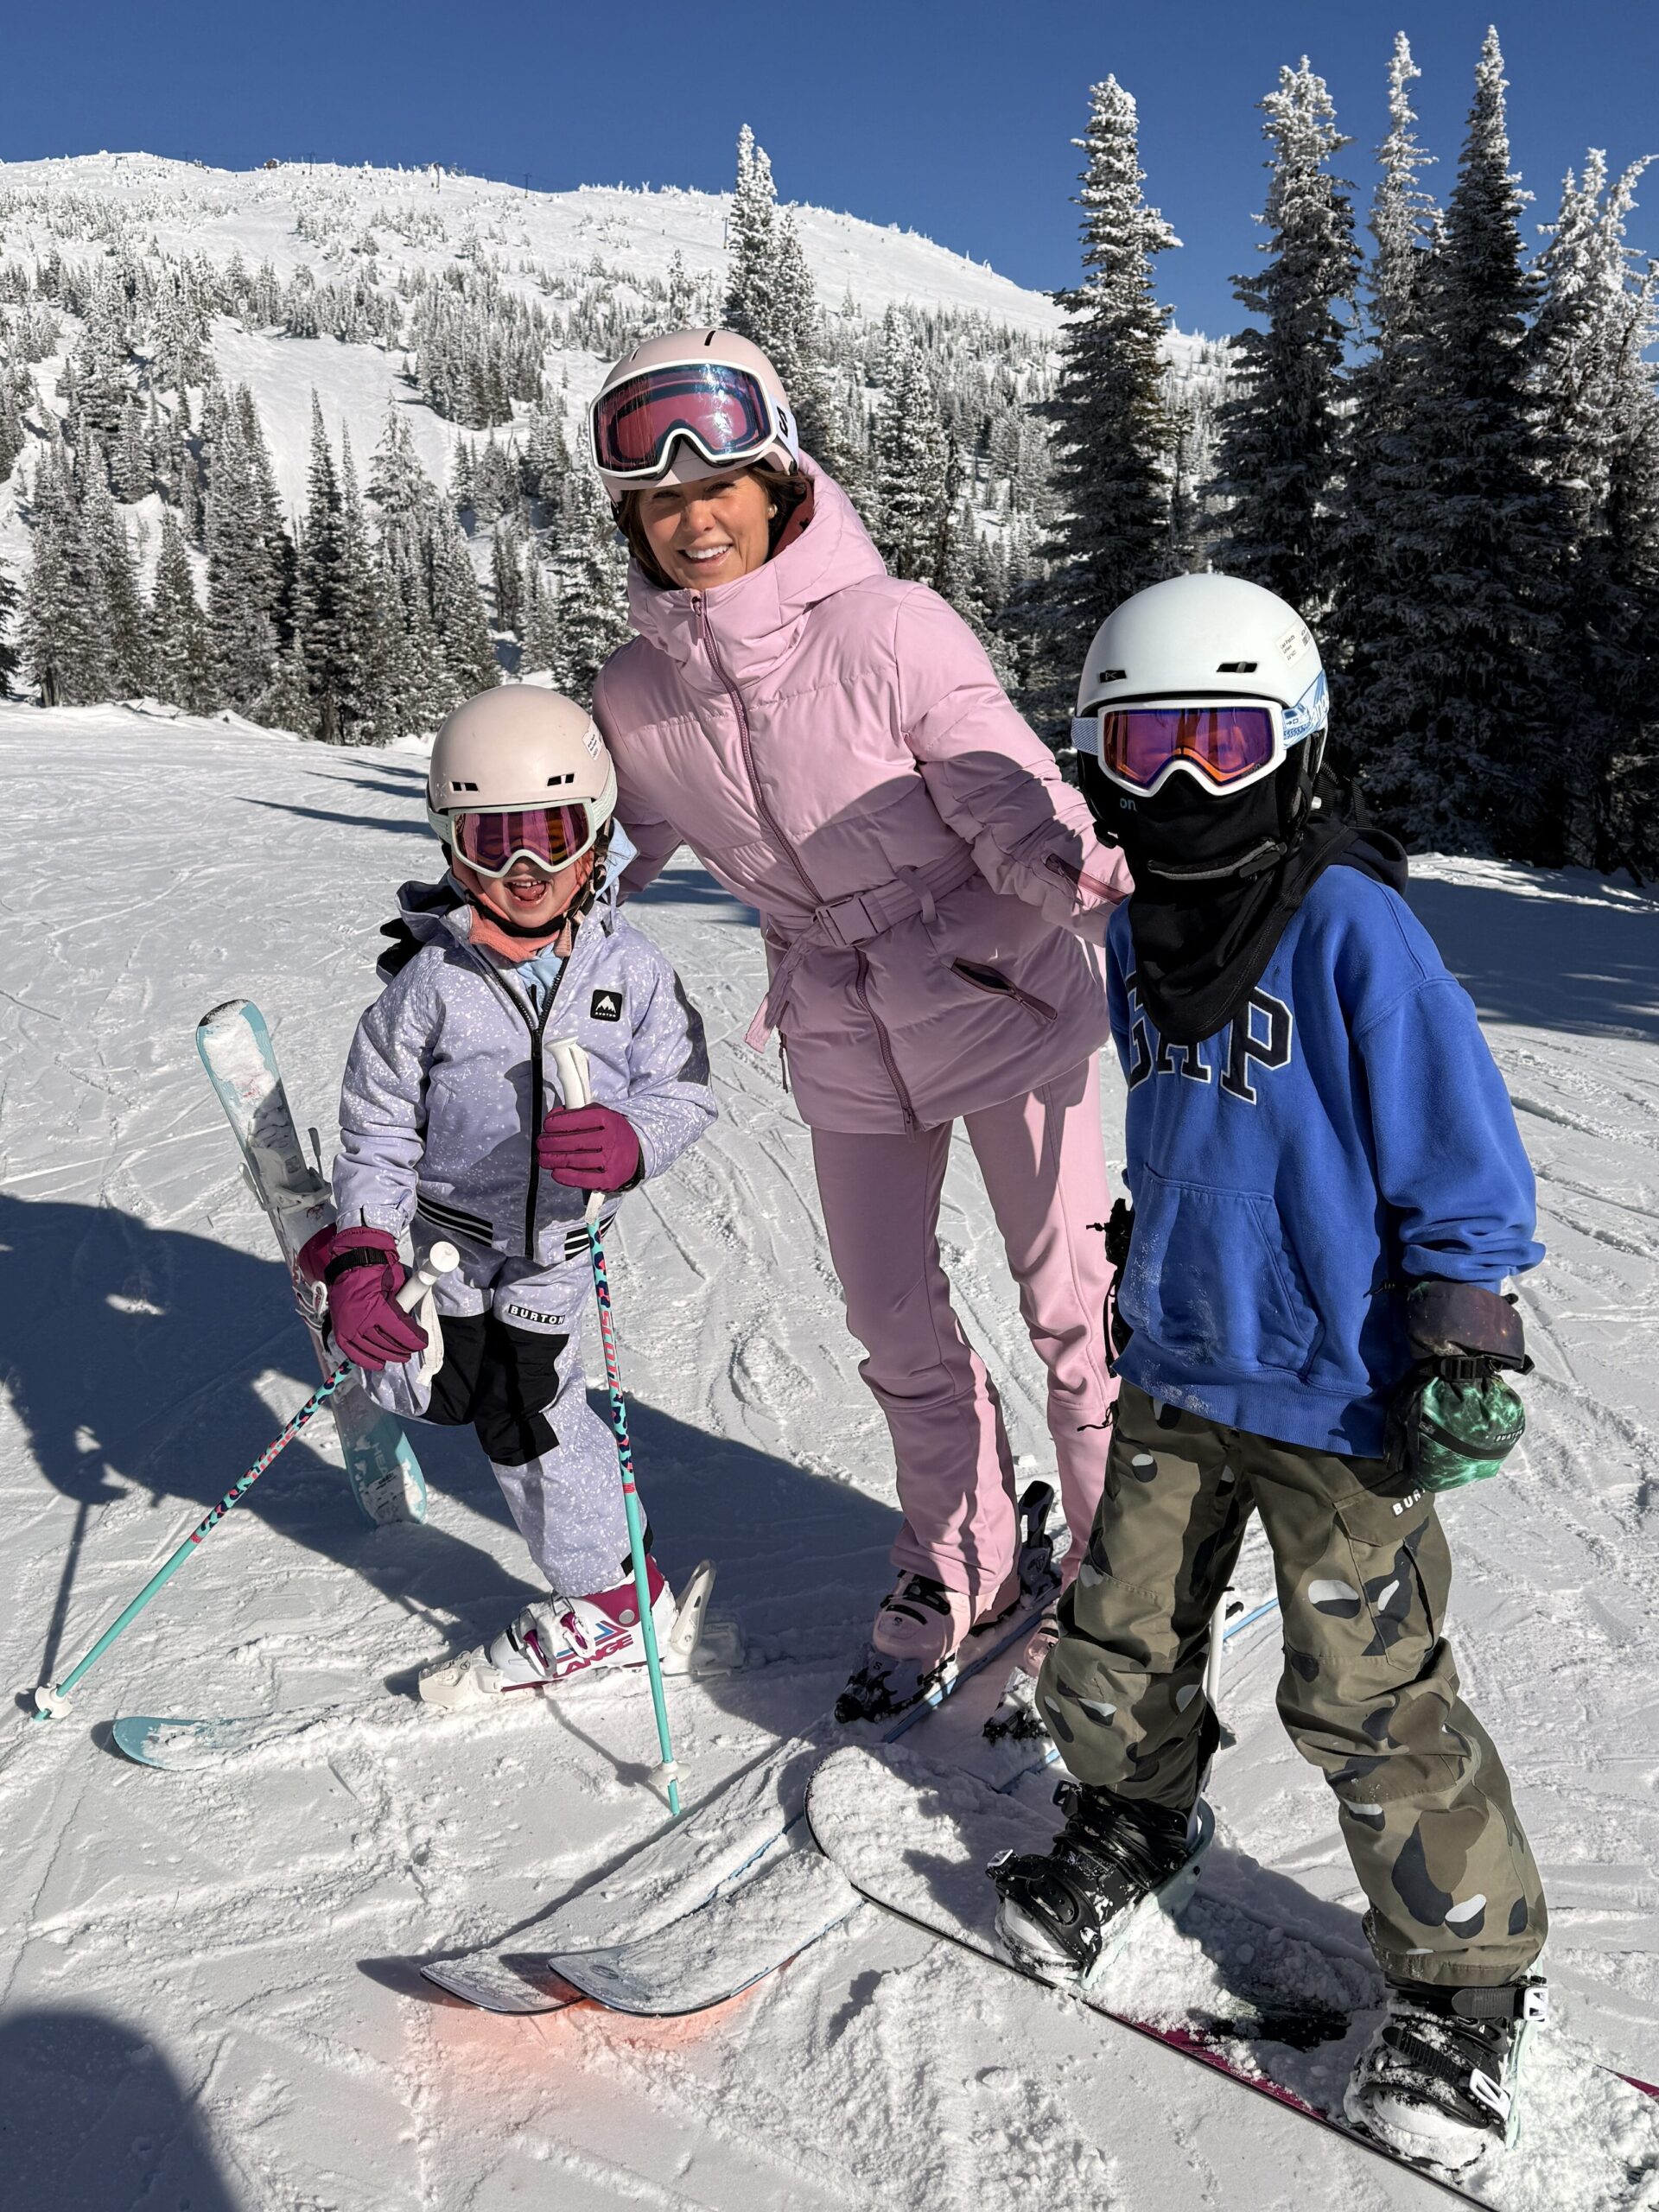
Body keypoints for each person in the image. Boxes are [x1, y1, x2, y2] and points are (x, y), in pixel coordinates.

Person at [988, 572, 1548, 2171]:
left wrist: (1461, 1321)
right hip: (1181, 1364)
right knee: (1117, 1632)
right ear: (1096, 763)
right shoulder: (1136, 936)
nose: (1182, 784)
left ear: (1293, 748)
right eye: (1145, 747)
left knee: (1367, 1693)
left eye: (1222, 745)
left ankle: (1463, 1985)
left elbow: (1460, 1143)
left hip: (1338, 1390)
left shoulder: (1353, 925)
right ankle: (1132, 1817)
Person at [585, 328, 1134, 1719]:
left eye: (718, 487)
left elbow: (1010, 801)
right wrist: (501, 905)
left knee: (1074, 1304)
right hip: (839, 1023)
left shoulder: (892, 628)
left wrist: (1120, 895)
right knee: (891, 1319)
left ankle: (1126, 1575)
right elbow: (607, 851)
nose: (693, 520)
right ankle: (961, 1558)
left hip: (1003, 995)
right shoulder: (636, 696)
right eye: (660, 499)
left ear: (777, 483)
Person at [308, 684, 717, 1706]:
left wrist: (630, 1141)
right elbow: (378, 1131)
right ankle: (346, 1274)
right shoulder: (428, 988)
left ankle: (613, 1599)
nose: (524, 870)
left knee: (527, 1411)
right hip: (447, 1242)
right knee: (438, 1391)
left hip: (555, 1251)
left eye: (551, 836)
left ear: (598, 834)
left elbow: (686, 1089)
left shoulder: (633, 973)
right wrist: (367, 1250)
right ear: (453, 847)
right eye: (493, 843)